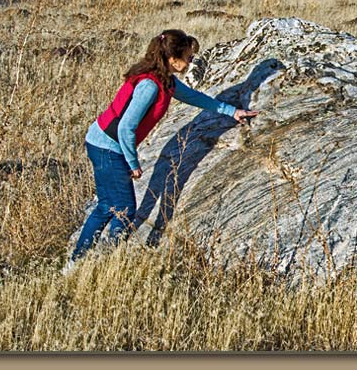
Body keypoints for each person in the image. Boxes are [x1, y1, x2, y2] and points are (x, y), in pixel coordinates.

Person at [64, 29, 258, 272]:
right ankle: (103, 265)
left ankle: (77, 263)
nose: (190, 62)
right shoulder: (150, 86)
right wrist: (132, 163)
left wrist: (232, 111)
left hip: (100, 140)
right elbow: (126, 128)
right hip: (107, 147)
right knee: (124, 209)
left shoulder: (164, 80)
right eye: (188, 57)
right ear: (172, 59)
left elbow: (196, 98)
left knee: (106, 207)